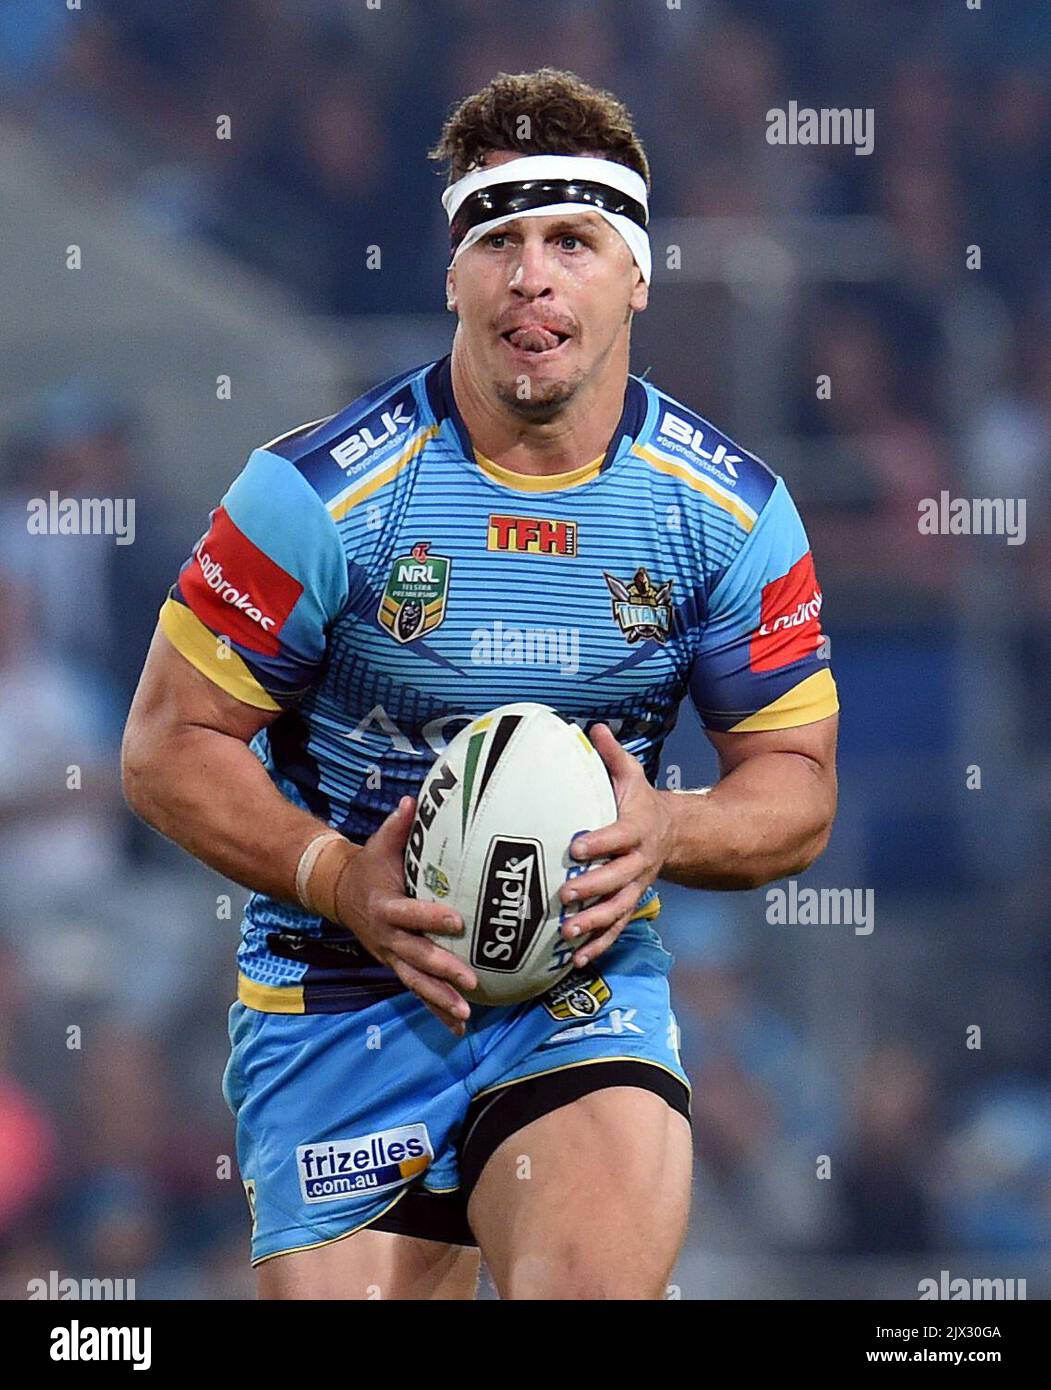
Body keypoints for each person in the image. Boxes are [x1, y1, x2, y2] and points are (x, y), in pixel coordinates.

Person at [121, 68, 838, 1300]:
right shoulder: (314, 497)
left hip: (577, 987)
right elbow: (165, 743)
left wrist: (669, 825)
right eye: (497, 240)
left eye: (573, 238)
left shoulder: (730, 515)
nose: (532, 275)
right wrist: (338, 875)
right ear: (453, 276)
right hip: (339, 994)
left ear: (638, 274)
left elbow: (798, 784)